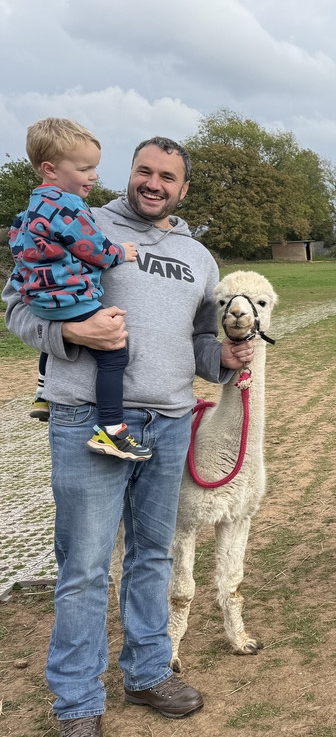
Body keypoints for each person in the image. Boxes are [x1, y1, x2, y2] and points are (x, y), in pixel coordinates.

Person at [3, 137, 254, 737]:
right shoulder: (79, 222)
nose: (154, 183)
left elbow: (196, 342)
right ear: (130, 173)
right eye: (145, 171)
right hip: (89, 417)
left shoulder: (198, 256)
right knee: (86, 566)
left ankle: (146, 672)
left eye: (168, 177)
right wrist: (76, 335)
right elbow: (18, 306)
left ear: (183, 188)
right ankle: (77, 702)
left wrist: (220, 354)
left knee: (152, 557)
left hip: (169, 423)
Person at [9, 118, 148, 460]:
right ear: (50, 169)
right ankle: (111, 429)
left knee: (59, 336)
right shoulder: (68, 204)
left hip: (40, 300)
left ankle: (43, 390)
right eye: (85, 168)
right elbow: (93, 248)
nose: (93, 176)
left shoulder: (30, 209)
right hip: (69, 297)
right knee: (115, 352)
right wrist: (120, 252)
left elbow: (17, 246)